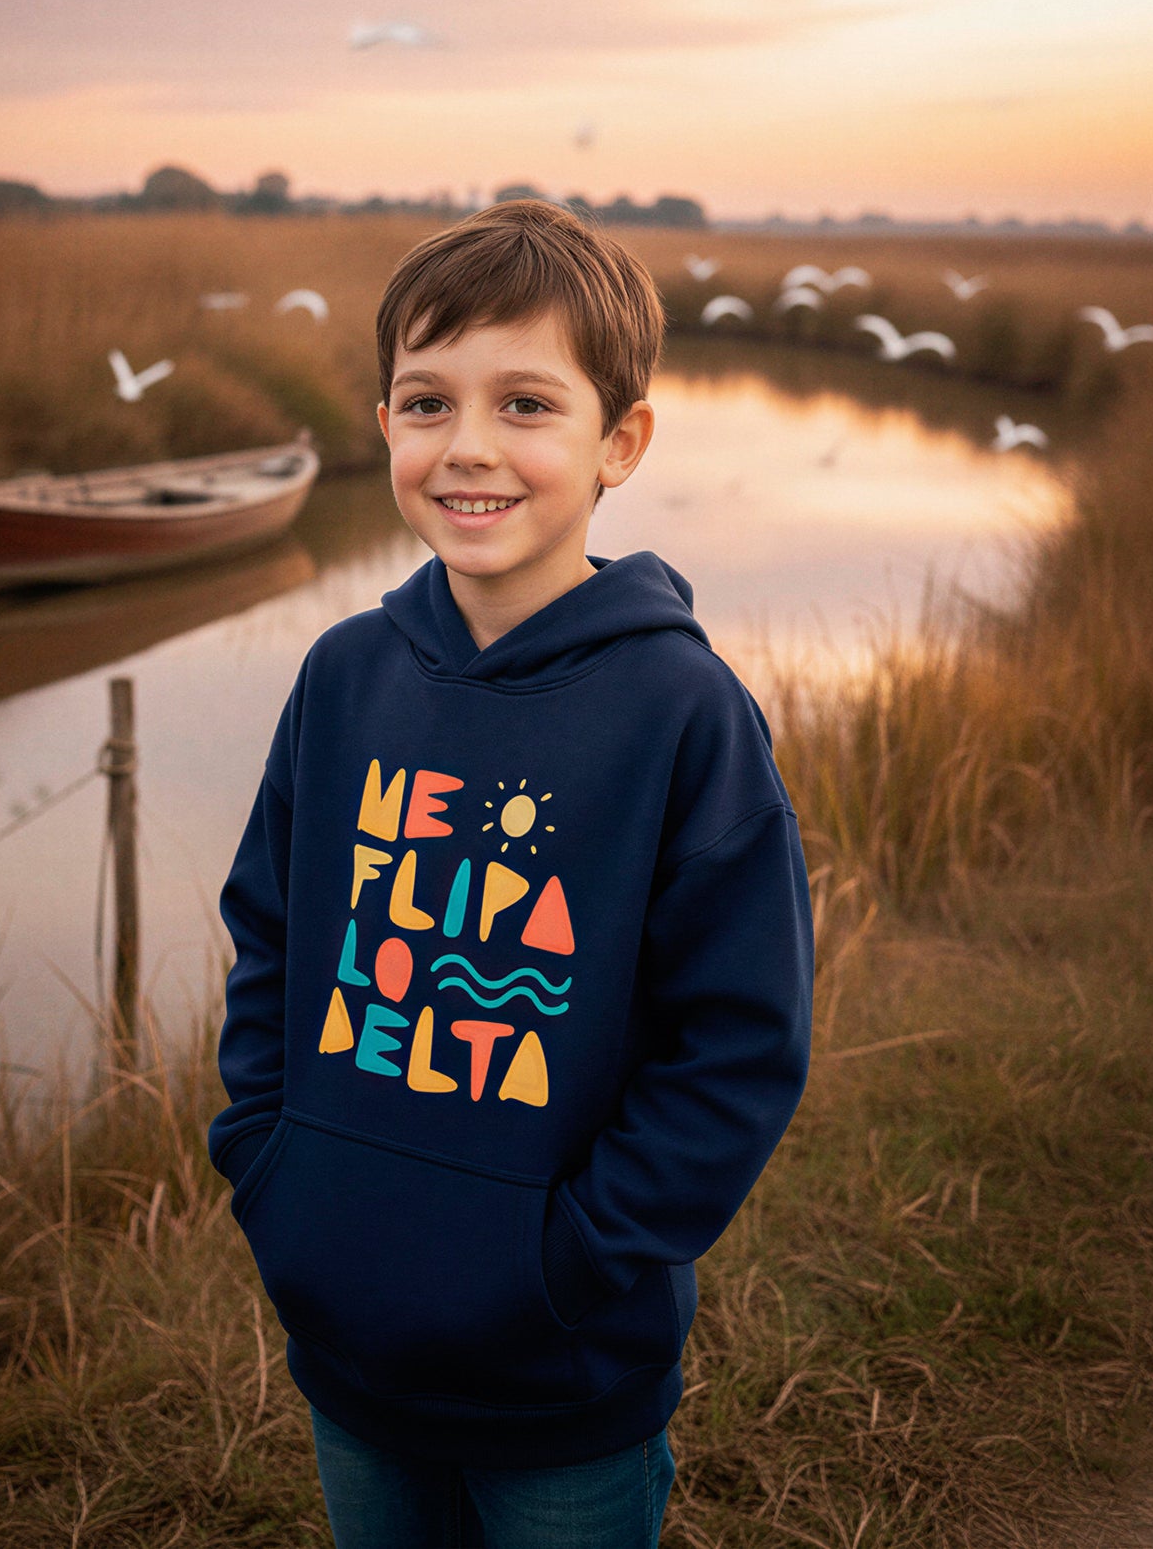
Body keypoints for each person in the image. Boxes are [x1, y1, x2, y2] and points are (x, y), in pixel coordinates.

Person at [208, 199, 814, 1549]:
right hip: (350, 1345)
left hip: (561, 1377)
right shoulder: (344, 678)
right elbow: (268, 938)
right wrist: (268, 1163)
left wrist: (567, 1263)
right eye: (427, 401)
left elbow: (739, 1045)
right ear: (383, 428)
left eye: (527, 403)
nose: (469, 446)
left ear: (620, 442)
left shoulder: (679, 708)